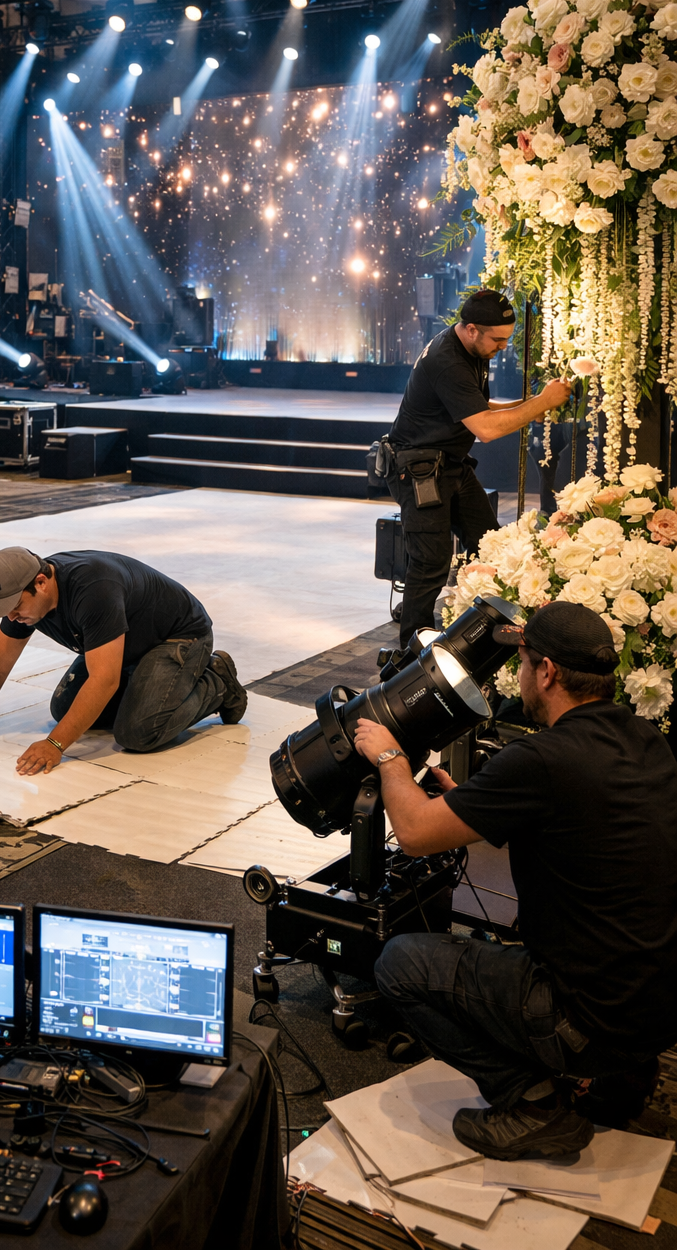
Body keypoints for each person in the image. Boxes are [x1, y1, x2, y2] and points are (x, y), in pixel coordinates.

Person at [354, 601, 677, 1160]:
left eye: (522, 661)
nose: (517, 676)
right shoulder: (647, 741)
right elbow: (583, 833)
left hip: (586, 1018)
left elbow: (410, 831)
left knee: (399, 965)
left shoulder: (541, 757)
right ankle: (618, 1077)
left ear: (546, 671)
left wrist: (388, 758)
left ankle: (530, 1103)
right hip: (658, 1009)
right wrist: (477, 807)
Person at [0, 547, 248, 775]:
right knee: (64, 711)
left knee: (138, 734)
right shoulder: (24, 603)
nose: (11, 616)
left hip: (176, 637)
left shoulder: (93, 589)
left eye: (15, 605)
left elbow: (104, 679)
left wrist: (55, 743)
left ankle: (217, 682)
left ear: (40, 582)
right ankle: (145, 682)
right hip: (125, 644)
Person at [387, 290, 573, 647]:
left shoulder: (470, 349)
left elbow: (476, 404)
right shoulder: (447, 360)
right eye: (498, 340)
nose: (503, 347)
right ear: (471, 329)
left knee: (490, 543)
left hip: (450, 465)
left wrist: (535, 402)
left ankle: (477, 637)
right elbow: (486, 429)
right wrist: (540, 404)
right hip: (419, 470)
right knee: (430, 564)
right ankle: (412, 658)